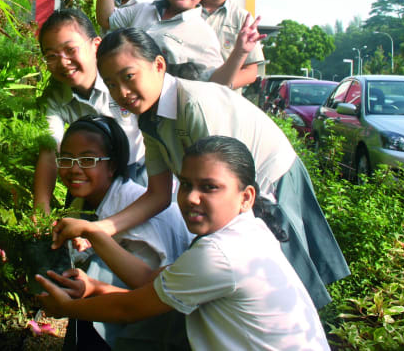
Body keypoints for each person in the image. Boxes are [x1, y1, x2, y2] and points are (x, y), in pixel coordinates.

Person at [66, 28, 349, 308]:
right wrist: (101, 229)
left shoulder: (194, 105)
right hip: (234, 193)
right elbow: (158, 195)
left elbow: (224, 192)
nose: (122, 92)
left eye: (128, 77)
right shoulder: (150, 121)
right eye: (111, 84)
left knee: (288, 288)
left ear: (159, 65)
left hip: (270, 183)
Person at [37, 136, 331, 351]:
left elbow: (130, 308)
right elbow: (151, 281)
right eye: (186, 184)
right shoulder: (250, 232)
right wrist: (96, 284)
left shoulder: (219, 254)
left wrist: (66, 308)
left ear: (246, 197)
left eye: (210, 187)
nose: (191, 197)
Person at [56, 115, 193, 350]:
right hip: (142, 297)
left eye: (88, 159)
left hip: (167, 314)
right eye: (66, 159)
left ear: (112, 167)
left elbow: (148, 282)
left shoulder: (132, 205)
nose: (75, 169)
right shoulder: (83, 203)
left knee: (96, 270)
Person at [34, 10, 146, 215]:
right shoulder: (54, 95)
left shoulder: (122, 78)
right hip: (89, 181)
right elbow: (49, 150)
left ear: (96, 46)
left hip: (138, 173)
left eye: (70, 50)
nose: (63, 62)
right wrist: (41, 211)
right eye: (51, 56)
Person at [99, 0, 260, 89]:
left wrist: (240, 52)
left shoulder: (203, 34)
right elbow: (106, 19)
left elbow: (215, 84)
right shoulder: (142, 8)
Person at [201, 0, 265, 90]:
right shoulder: (184, 9)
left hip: (224, 103)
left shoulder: (243, 19)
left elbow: (250, 71)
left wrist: (218, 86)